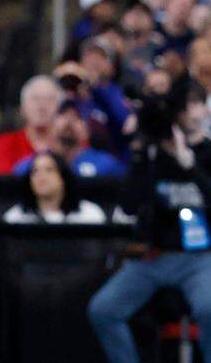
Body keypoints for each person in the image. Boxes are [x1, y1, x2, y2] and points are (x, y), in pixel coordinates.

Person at [88, 96, 211, 363]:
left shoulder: (206, 153)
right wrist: (146, 156)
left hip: (201, 258)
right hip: (152, 258)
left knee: (209, 308)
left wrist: (190, 166)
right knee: (103, 309)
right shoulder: (150, 157)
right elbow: (129, 205)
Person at [13, 101, 125, 178]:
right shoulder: (31, 167)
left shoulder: (107, 165)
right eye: (62, 114)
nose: (69, 120)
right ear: (50, 126)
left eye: (77, 116)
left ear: (86, 130)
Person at [4, 152, 108, 224]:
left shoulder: (89, 215)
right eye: (34, 171)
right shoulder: (15, 217)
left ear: (63, 177)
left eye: (49, 170)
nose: (41, 176)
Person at [0, 75, 60, 174]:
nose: (42, 106)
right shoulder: (4, 144)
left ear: (60, 109)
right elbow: (0, 183)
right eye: (36, 99)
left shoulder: (69, 146)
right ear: (22, 108)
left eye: (49, 100)